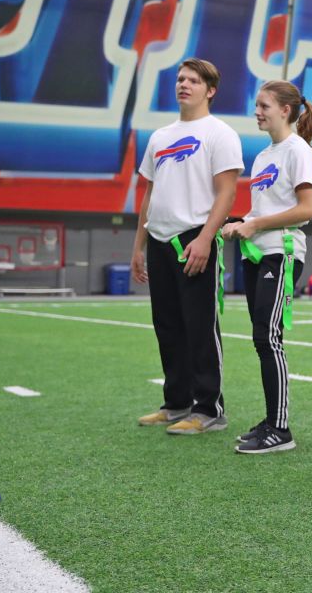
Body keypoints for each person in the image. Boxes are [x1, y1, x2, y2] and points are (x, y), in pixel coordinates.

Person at [133, 58, 243, 434]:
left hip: (194, 237)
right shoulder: (160, 137)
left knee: (200, 325)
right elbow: (149, 193)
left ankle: (209, 408)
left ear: (209, 90)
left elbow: (227, 192)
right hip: (159, 238)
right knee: (167, 325)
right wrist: (138, 246)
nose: (184, 85)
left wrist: (205, 238)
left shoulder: (220, 133)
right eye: (180, 78)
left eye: (193, 81)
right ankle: (176, 403)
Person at [221, 81, 312, 454]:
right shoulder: (264, 156)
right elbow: (263, 210)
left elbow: (307, 209)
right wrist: (240, 222)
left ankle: (280, 429)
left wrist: (255, 224)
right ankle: (271, 420)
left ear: (285, 110)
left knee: (269, 336)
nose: (257, 111)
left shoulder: (299, 151)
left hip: (282, 251)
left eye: (264, 105)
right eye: (257, 105)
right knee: (261, 337)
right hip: (256, 253)